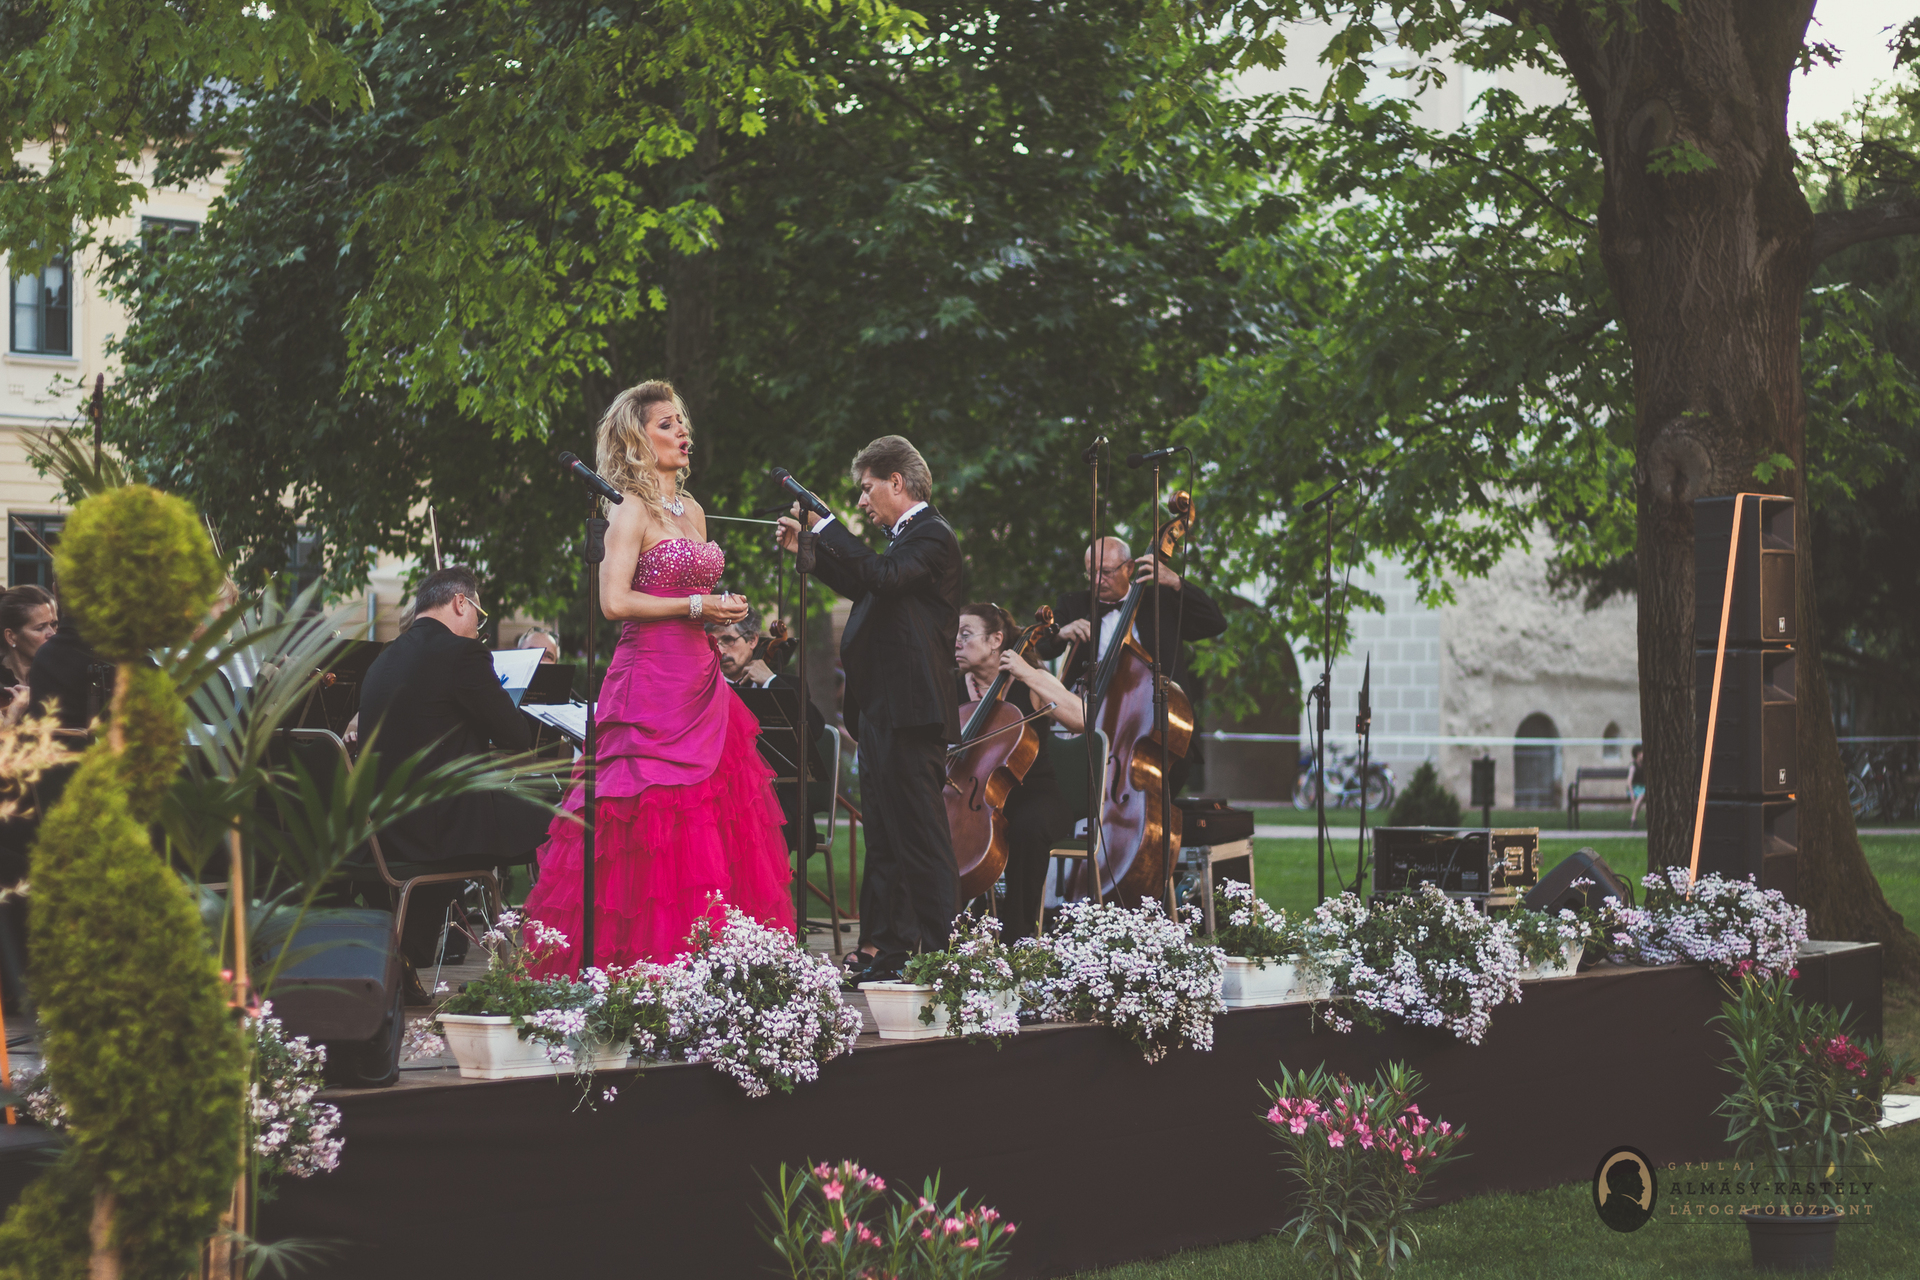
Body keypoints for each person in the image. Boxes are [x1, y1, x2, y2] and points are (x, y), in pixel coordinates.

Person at [522, 380, 793, 973]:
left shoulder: (692, 510)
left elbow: (688, 593)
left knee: (714, 818)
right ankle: (646, 966)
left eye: (682, 421)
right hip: (649, 680)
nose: (681, 431)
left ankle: (718, 966)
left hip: (701, 679)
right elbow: (614, 602)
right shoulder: (627, 508)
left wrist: (719, 608)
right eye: (666, 424)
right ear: (636, 439)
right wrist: (697, 605)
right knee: (651, 814)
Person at [777, 434, 963, 986]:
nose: (862, 501)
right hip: (884, 712)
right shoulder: (904, 542)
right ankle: (889, 950)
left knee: (920, 841)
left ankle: (944, 956)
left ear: (896, 482)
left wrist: (826, 526)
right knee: (883, 839)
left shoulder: (933, 535)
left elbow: (880, 577)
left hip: (913, 712)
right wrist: (810, 550)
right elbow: (868, 588)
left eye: (867, 488)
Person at [357, 565, 552, 965]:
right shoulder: (463, 653)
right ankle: (548, 945)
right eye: (480, 615)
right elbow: (515, 735)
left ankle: (410, 959)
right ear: (461, 603)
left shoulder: (384, 657)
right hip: (442, 831)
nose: (479, 627)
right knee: (564, 817)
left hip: (382, 830)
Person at [1037, 535, 1227, 793]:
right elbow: (1041, 648)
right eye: (1091, 573)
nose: (1097, 580)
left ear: (1128, 568)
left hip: (1151, 715)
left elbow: (1214, 622)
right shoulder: (1073, 603)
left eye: (1106, 572)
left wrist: (1176, 582)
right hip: (1092, 713)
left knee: (1170, 771)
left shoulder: (1159, 600)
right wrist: (1060, 633)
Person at [952, 602, 1082, 941]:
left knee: (1029, 827)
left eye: (965, 634)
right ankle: (946, 932)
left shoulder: (1030, 681)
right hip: (969, 795)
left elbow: (1082, 719)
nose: (956, 642)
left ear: (996, 640)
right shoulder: (951, 687)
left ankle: (1018, 936)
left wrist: (1027, 674)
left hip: (1032, 791)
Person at [0, 585, 57, 725]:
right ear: (11, 637)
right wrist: (13, 716)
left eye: (53, 624)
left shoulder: (59, 676)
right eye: (40, 628)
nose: (52, 634)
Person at [1628, 744, 1647, 829]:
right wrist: (1632, 794)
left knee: (1642, 795)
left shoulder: (1645, 765)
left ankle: (1633, 819)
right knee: (1641, 796)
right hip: (1634, 788)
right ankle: (1633, 819)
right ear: (1638, 754)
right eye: (1642, 753)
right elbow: (1629, 781)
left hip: (1642, 788)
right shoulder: (1633, 766)